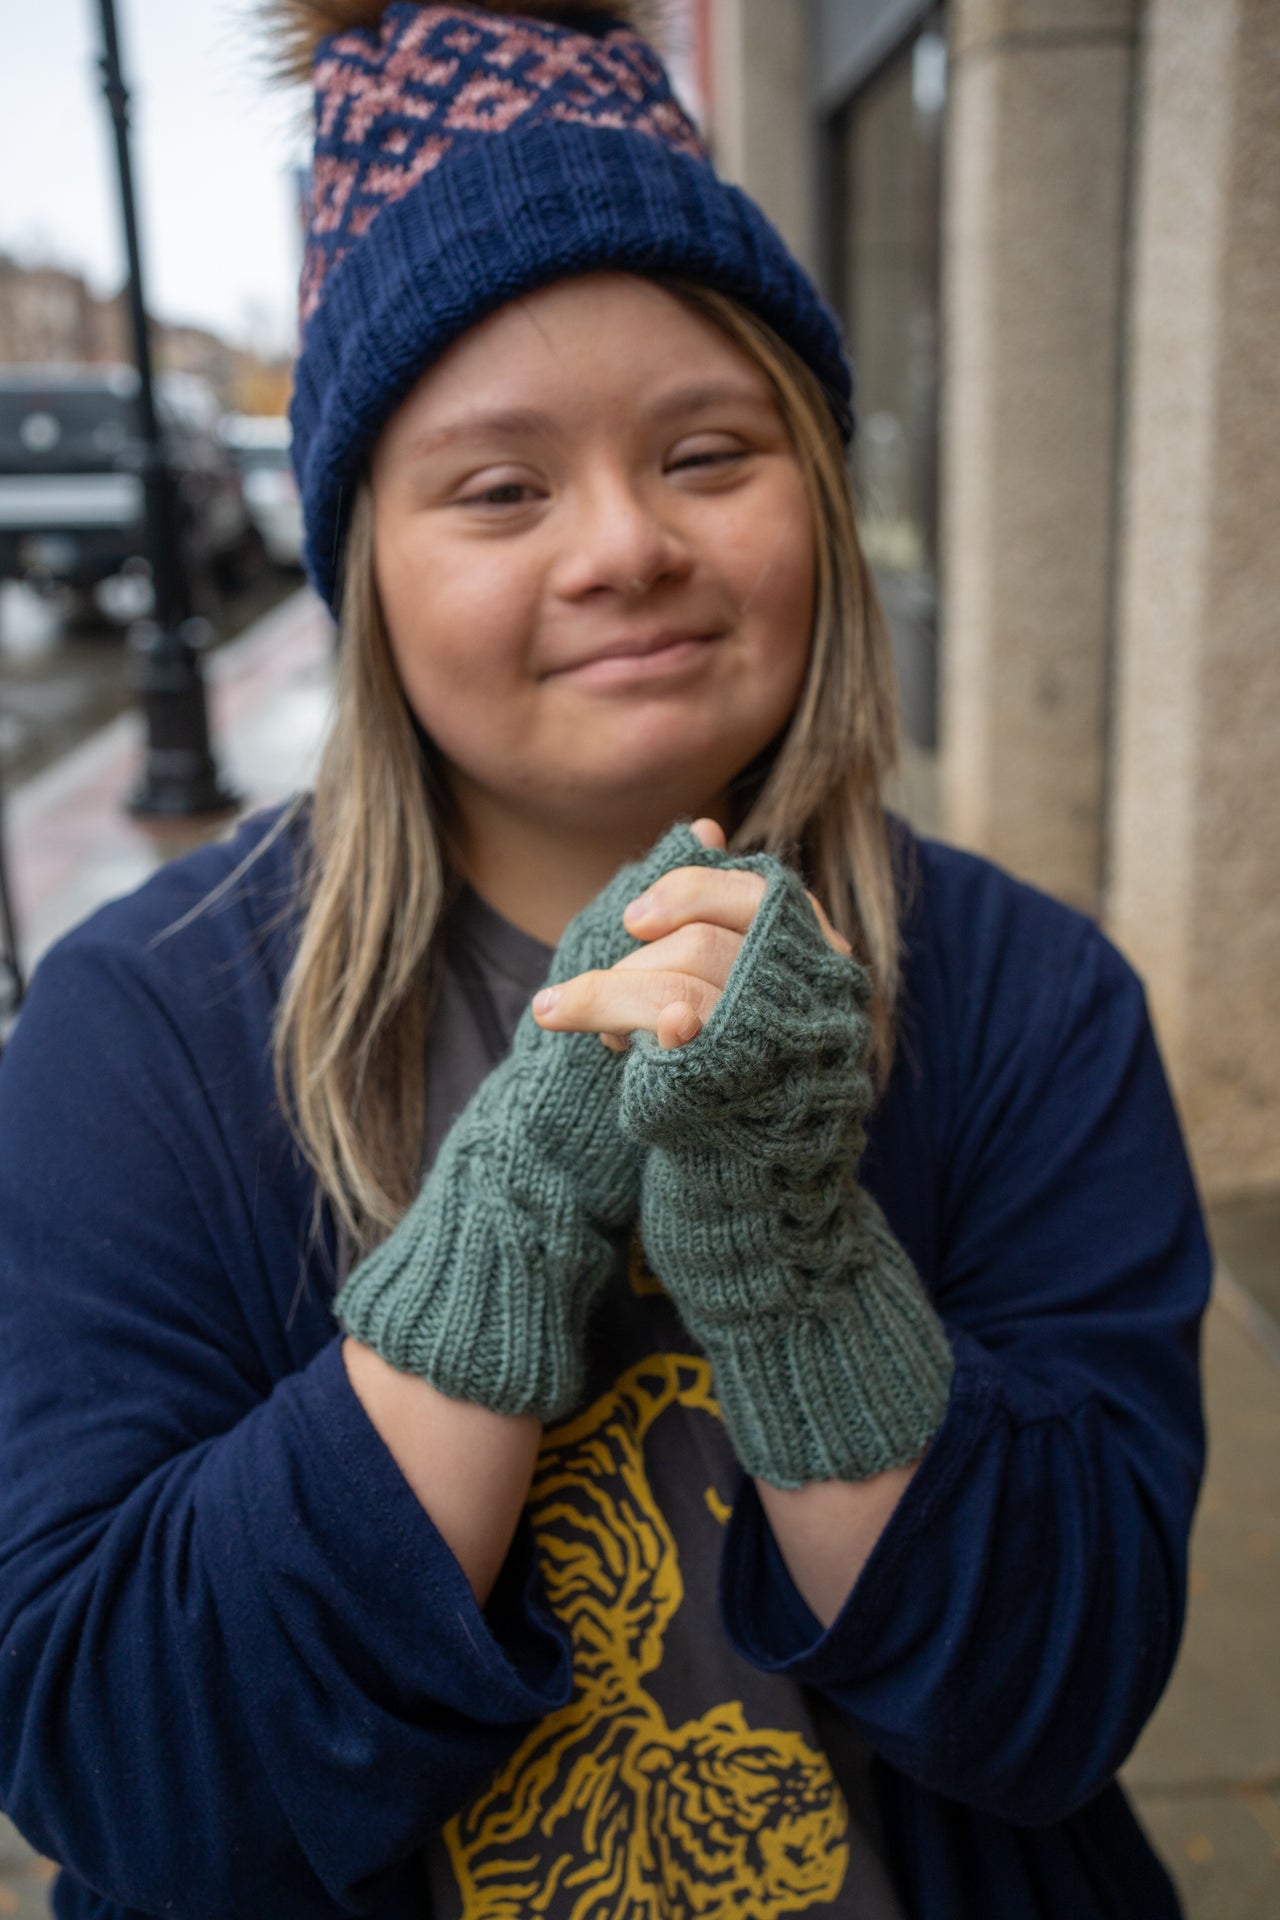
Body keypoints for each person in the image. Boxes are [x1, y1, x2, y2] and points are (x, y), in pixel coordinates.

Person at [0, 4, 1210, 1917]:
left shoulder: (1032, 996)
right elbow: (126, 1769)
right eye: (498, 488)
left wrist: (805, 1270)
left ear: (813, 479)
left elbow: (1055, 1701)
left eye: (707, 450)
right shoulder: (133, 1030)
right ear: (363, 563)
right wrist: (506, 1227)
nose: (626, 544)